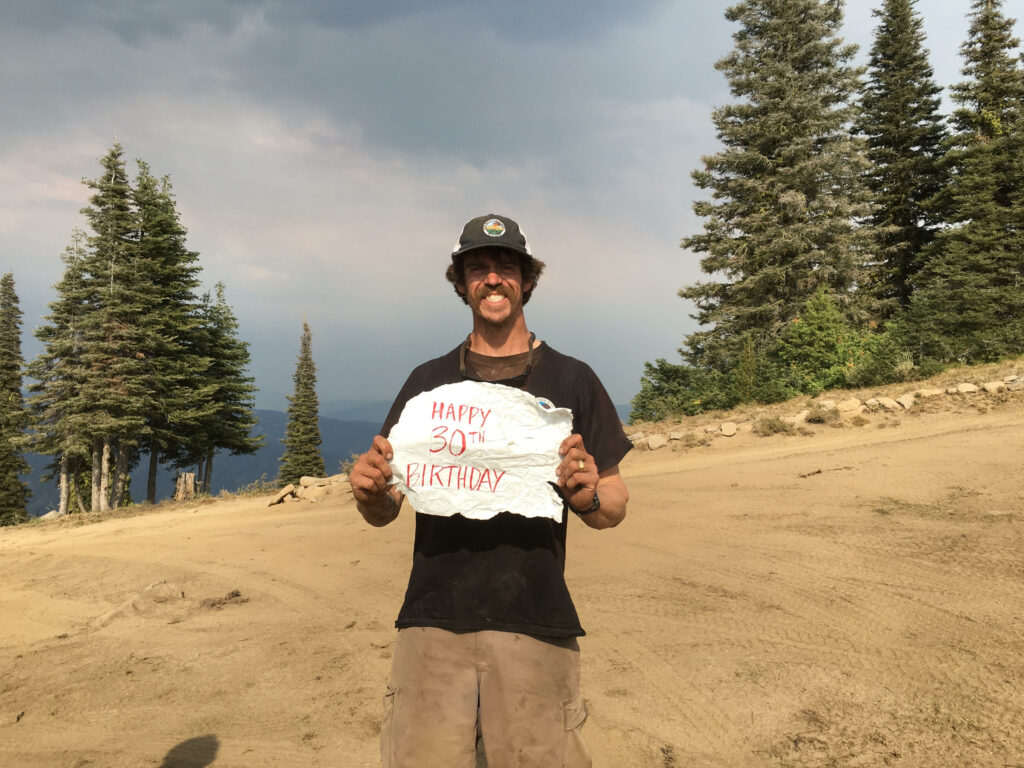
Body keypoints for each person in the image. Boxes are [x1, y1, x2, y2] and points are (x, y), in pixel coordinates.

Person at [350, 213, 631, 768]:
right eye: (478, 268)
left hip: (535, 620)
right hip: (432, 620)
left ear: (528, 280)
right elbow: (389, 505)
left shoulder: (573, 380)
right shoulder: (428, 384)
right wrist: (371, 494)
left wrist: (588, 497)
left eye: (507, 267)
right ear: (461, 284)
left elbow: (614, 503)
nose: (493, 279)